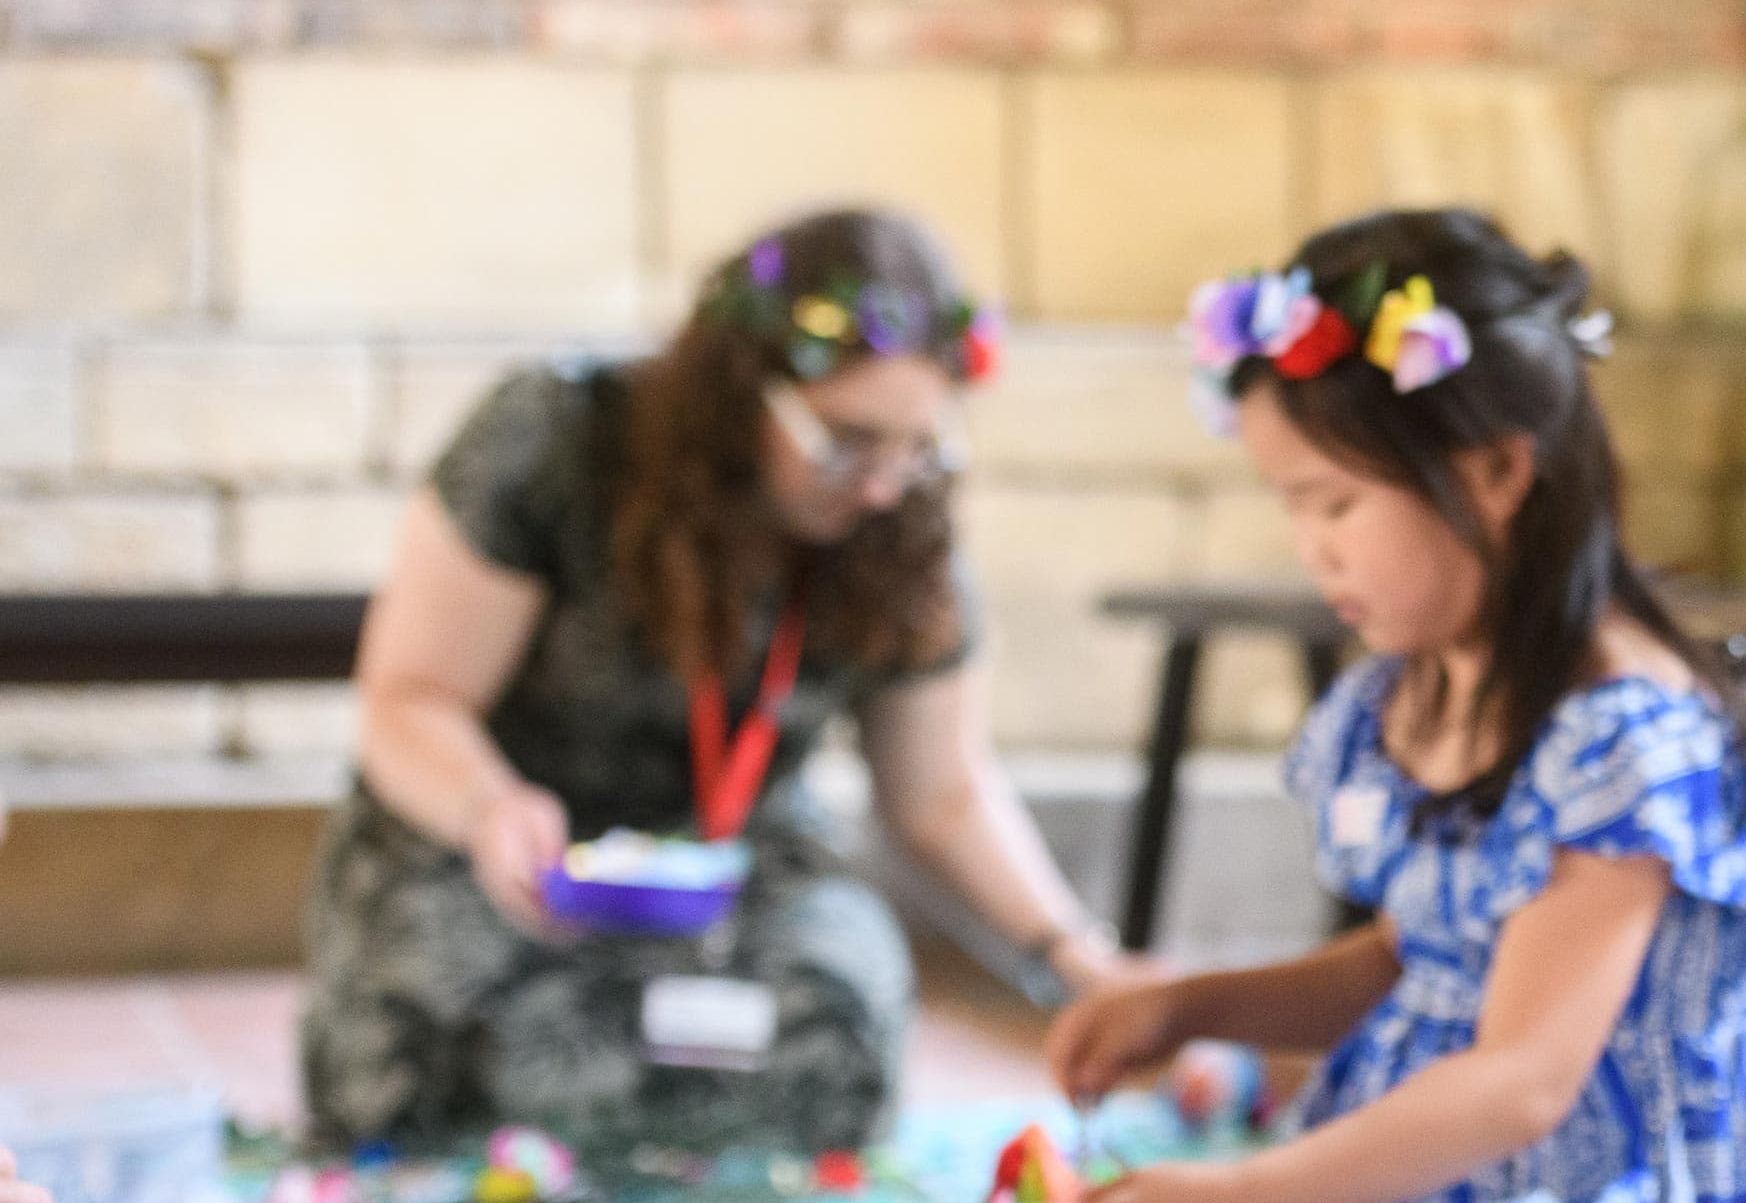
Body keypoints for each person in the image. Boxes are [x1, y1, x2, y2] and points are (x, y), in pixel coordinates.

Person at [303, 209, 1141, 1153]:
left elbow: (941, 793)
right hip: (498, 852)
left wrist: (1077, 958)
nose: (878, 485)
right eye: (845, 441)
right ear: (739, 394)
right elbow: (411, 698)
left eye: (917, 448)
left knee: (843, 1026)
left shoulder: (897, 519)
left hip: (731, 868)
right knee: (420, 1060)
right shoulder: (555, 439)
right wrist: (489, 808)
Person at [1046, 209, 1746, 1203]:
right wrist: (1189, 1007)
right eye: (1290, 504)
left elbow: (1522, 1081)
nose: (1312, 546)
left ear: (1496, 471)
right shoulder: (1414, 692)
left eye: (1335, 503)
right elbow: (1425, 960)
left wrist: (1242, 1190)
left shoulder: (1624, 740)